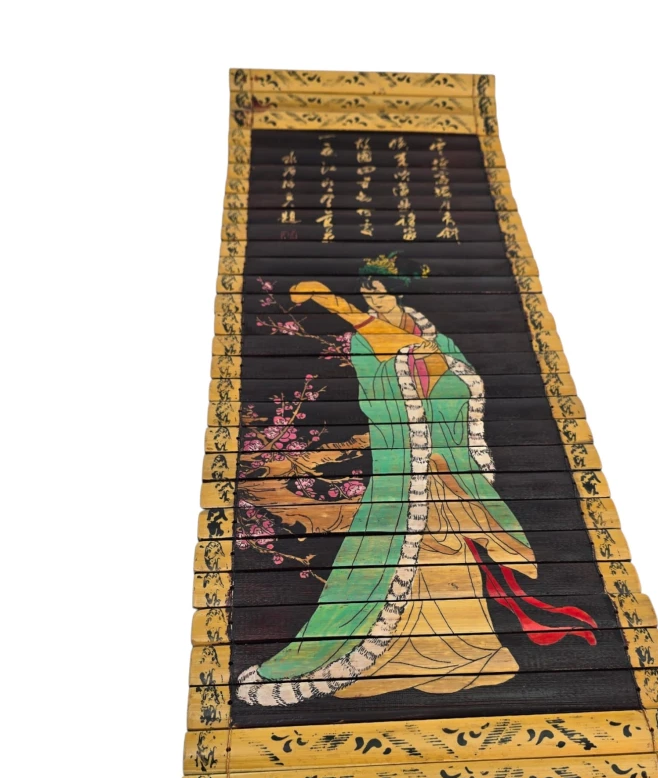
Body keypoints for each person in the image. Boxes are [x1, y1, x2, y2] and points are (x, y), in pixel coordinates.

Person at [238, 254, 594, 706]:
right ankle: (393, 659)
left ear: (398, 291)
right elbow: (377, 399)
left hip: (447, 462)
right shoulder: (365, 340)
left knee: (453, 560)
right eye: (367, 293)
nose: (373, 300)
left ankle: (470, 654)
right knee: (393, 554)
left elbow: (465, 388)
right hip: (404, 463)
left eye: (379, 292)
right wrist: (342, 312)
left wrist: (429, 371)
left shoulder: (439, 339)